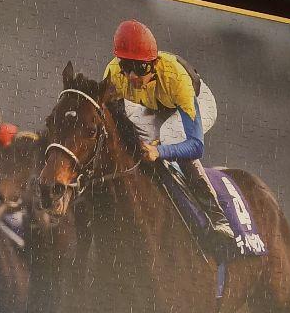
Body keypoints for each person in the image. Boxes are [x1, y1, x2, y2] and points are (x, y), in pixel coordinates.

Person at [102, 19, 237, 260]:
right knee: (137, 138)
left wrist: (160, 152)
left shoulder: (176, 78)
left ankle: (218, 217)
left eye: (139, 68)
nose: (131, 76)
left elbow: (196, 146)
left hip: (195, 101)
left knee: (168, 137)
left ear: (153, 64)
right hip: (154, 103)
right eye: (126, 66)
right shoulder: (113, 74)